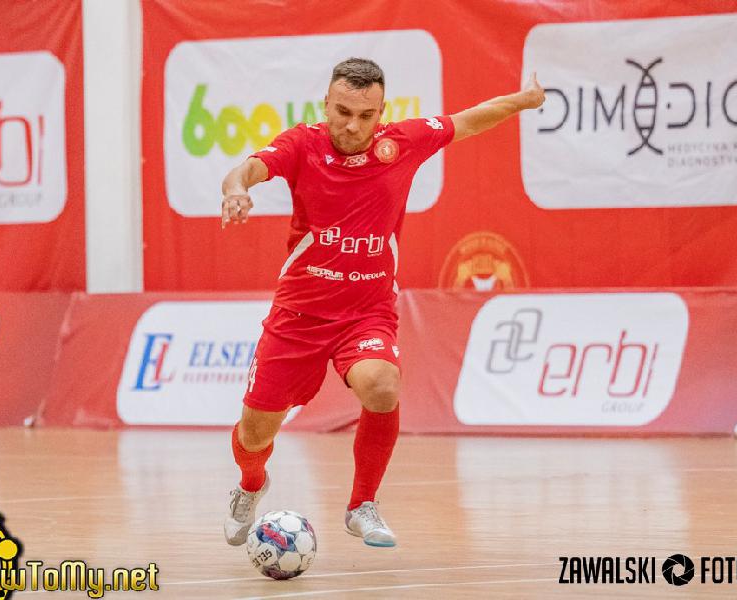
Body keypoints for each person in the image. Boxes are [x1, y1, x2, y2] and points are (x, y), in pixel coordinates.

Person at [221, 57, 545, 548]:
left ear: (381, 112)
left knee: (382, 384)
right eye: (343, 112)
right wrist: (235, 191)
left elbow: (469, 120)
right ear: (325, 105)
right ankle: (250, 484)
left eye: (365, 115)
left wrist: (524, 100)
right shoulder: (302, 144)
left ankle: (362, 505)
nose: (353, 126)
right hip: (299, 315)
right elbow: (246, 169)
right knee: (254, 434)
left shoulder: (403, 143)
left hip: (366, 313)